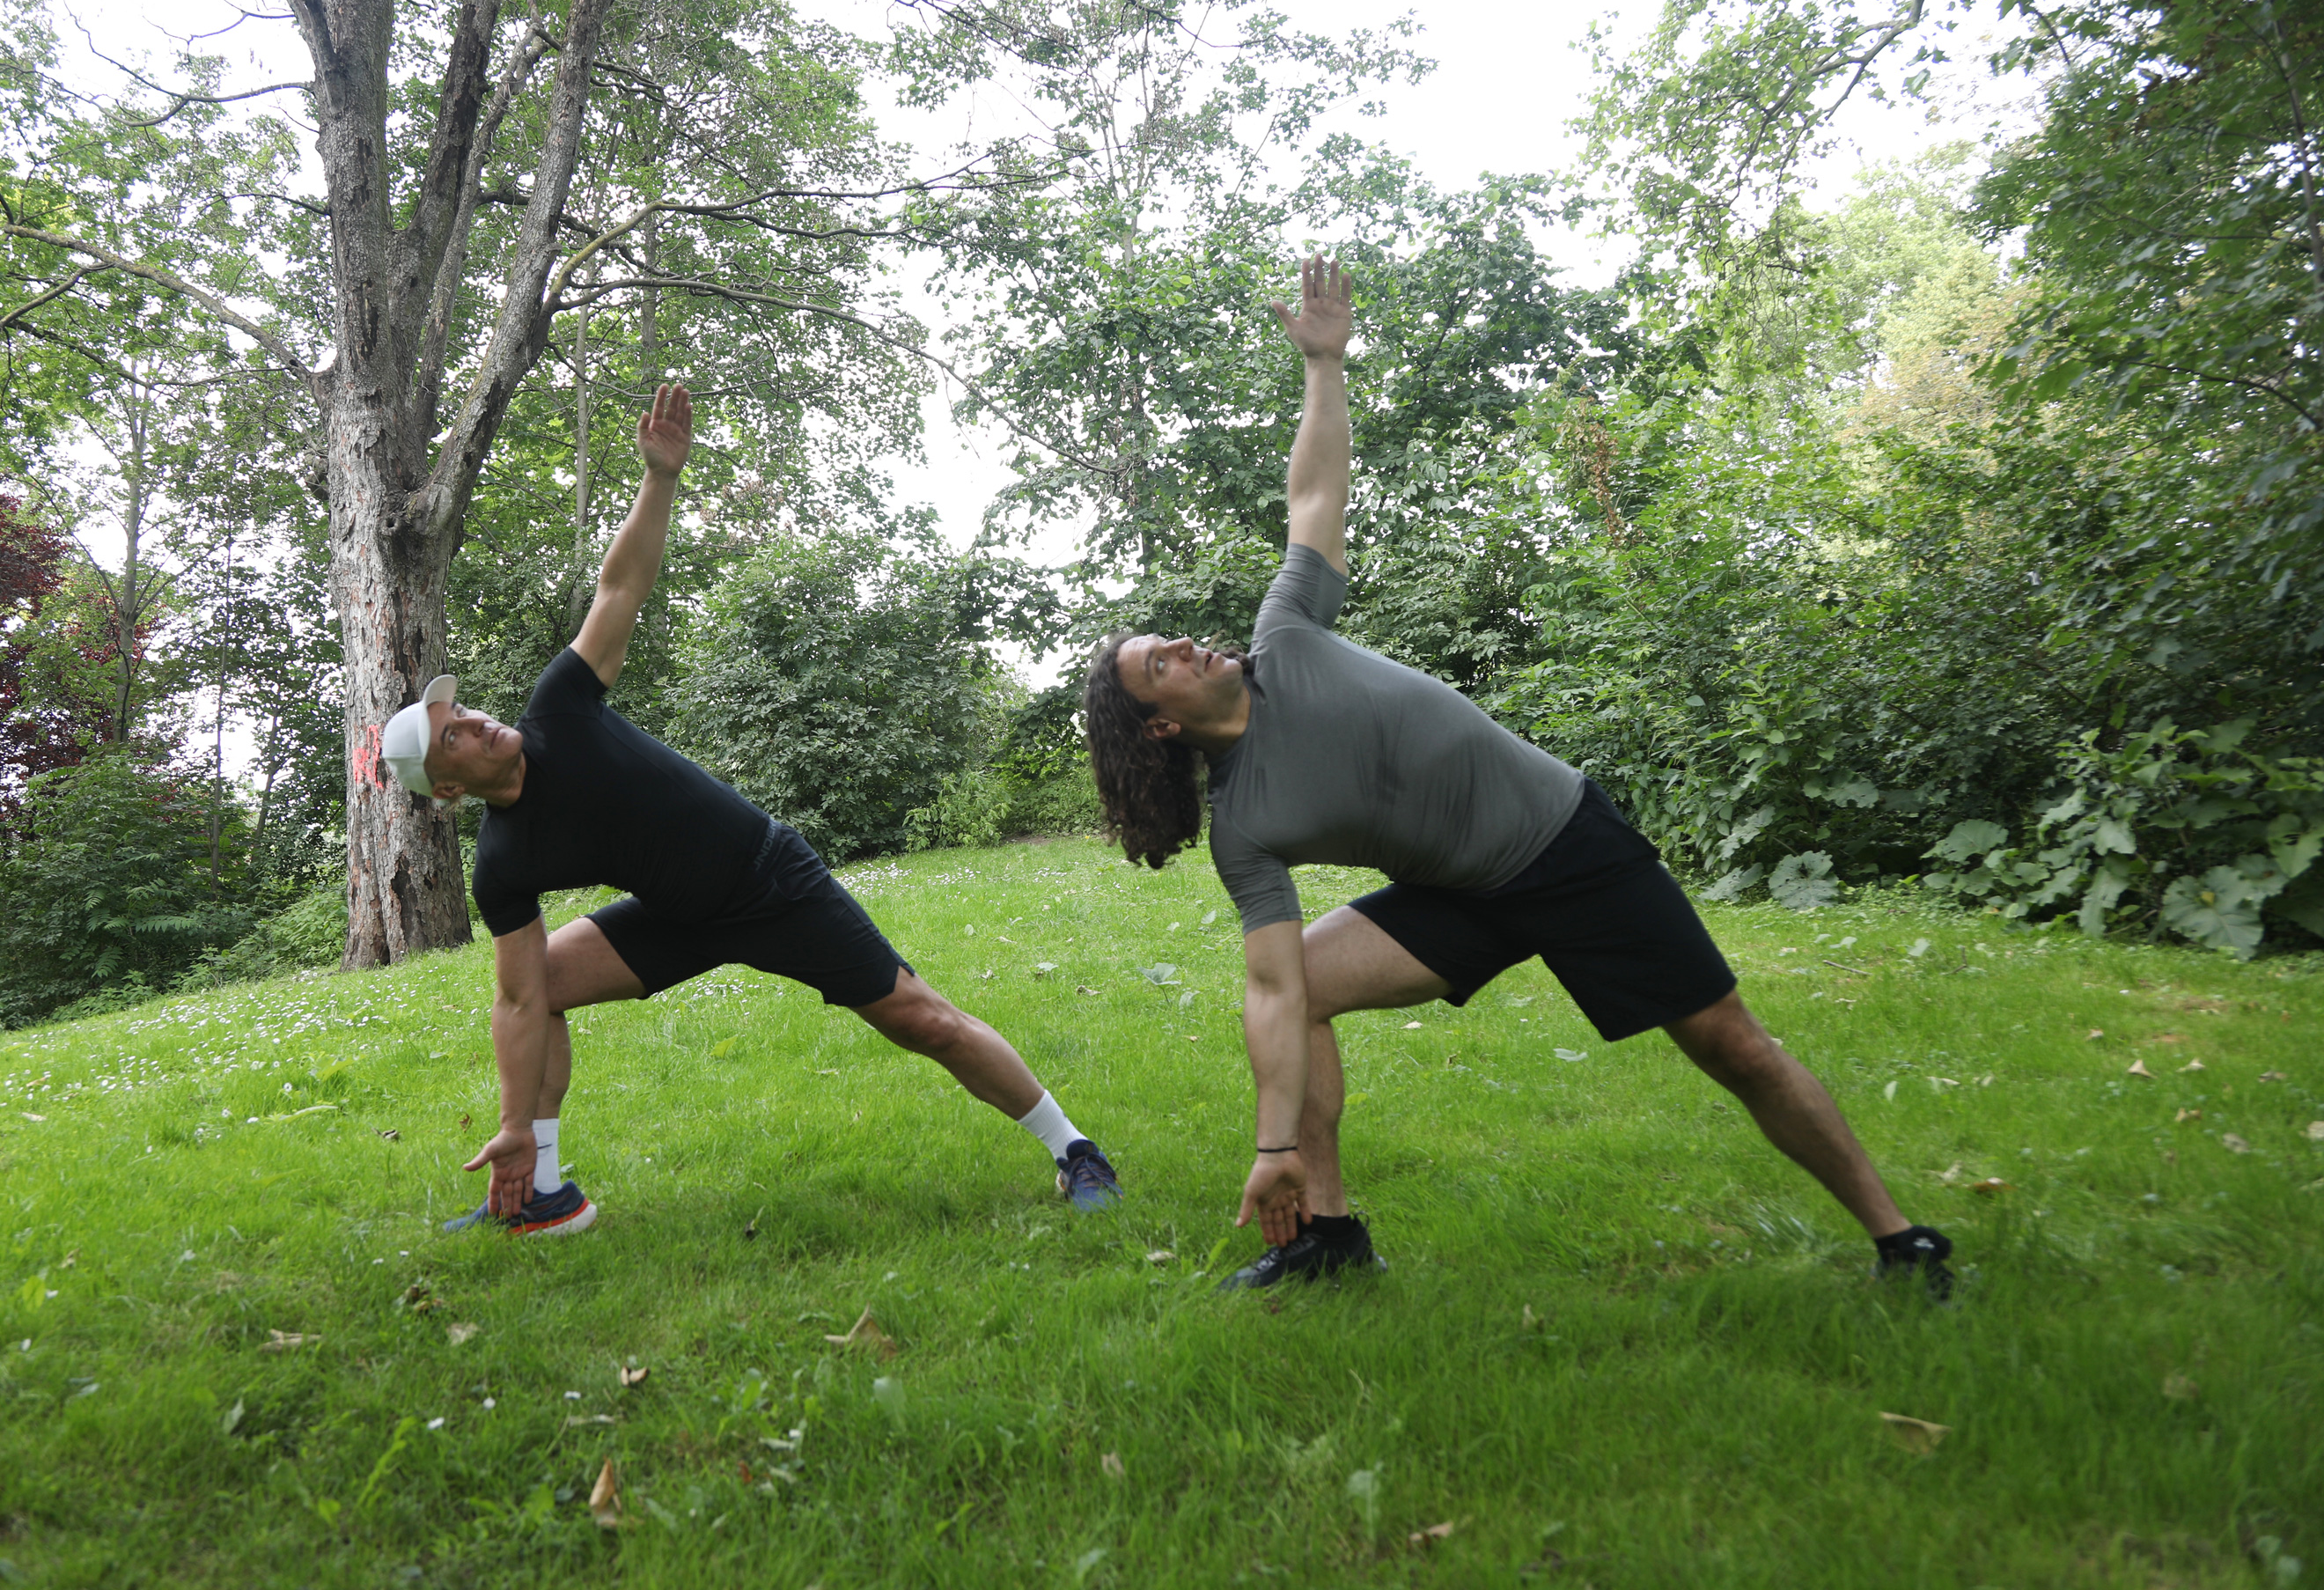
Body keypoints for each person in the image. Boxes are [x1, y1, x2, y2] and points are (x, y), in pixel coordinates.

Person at [1081, 258, 1949, 1294]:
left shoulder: (1290, 632)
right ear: (1164, 723)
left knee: (1732, 1044)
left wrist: (1325, 365)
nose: (1184, 642)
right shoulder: (1247, 823)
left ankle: (1903, 1239)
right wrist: (1275, 1143)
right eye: (1158, 662)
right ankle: (1330, 1236)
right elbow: (1271, 988)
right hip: (1462, 896)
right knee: (1304, 983)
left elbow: (1312, 492)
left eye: (1171, 637)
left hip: (1565, 843)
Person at [379, 385, 1122, 1237]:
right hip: (678, 916)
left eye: (464, 710)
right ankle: (545, 1191)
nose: (475, 721)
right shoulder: (502, 860)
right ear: (450, 788)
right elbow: (515, 999)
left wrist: (659, 477)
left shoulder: (559, 711)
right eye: (455, 736)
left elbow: (620, 588)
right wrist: (513, 1122)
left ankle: (1074, 1150)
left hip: (769, 878)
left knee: (922, 1018)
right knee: (543, 982)